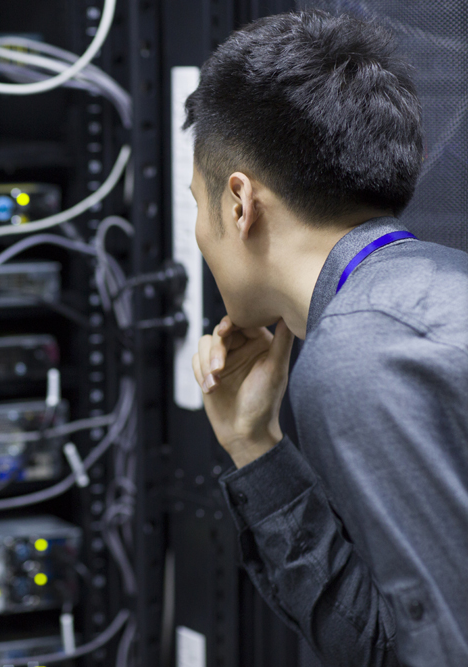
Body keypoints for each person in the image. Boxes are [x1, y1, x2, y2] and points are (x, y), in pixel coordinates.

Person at [183, 10, 468, 667]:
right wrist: (254, 444)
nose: (201, 234)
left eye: (197, 204)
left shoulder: (360, 354)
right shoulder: (427, 293)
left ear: (238, 204)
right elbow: (396, 640)